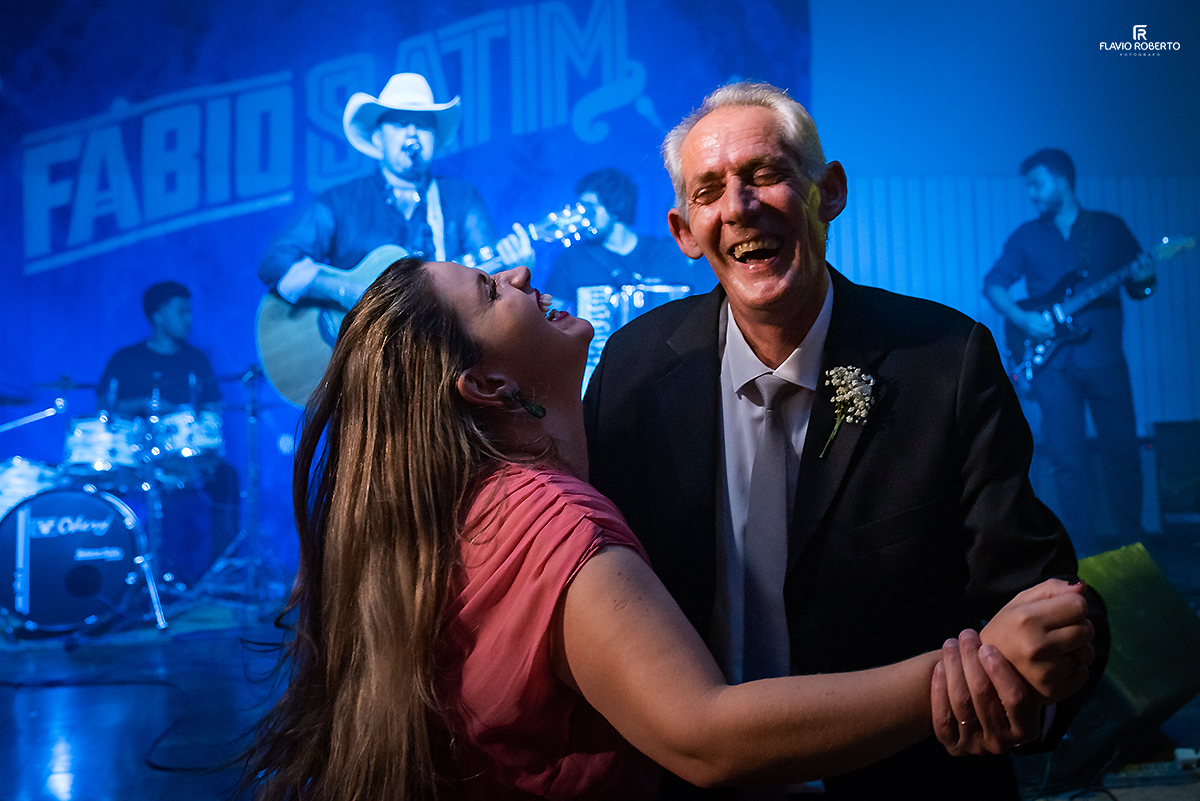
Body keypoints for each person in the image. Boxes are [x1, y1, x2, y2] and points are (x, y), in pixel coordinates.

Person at [240, 256, 1097, 801]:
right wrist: (965, 673)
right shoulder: (551, 520)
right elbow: (704, 734)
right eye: (493, 290)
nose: (521, 266)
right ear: (488, 388)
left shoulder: (475, 503)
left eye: (766, 175)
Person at [583, 84, 1109, 799]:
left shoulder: (945, 361)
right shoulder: (633, 370)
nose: (739, 205)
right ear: (683, 231)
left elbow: (1042, 601)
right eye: (710, 190)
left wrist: (1025, 684)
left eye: (765, 174)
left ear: (827, 193)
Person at [984, 148, 1155, 556]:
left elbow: (1140, 287)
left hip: (1105, 361)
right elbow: (993, 284)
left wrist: (1146, 278)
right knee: (1067, 461)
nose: (1032, 193)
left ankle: (1135, 550)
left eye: (1037, 183)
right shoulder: (1027, 236)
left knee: (1122, 455)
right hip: (1052, 368)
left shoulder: (1110, 229)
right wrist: (1025, 322)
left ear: (1062, 180)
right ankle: (1083, 559)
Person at [258, 72, 535, 312]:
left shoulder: (461, 200)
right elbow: (276, 262)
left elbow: (490, 290)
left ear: (434, 140)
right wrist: (344, 290)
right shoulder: (340, 202)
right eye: (401, 123)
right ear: (378, 138)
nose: (412, 133)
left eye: (423, 124)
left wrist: (515, 273)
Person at [96, 281, 239, 586]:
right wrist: (143, 404)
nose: (189, 319)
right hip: (136, 458)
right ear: (158, 316)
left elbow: (212, 406)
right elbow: (104, 409)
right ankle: (122, 576)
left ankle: (220, 576)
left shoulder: (195, 359)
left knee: (227, 478)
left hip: (182, 453)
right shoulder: (126, 359)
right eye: (181, 311)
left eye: (189, 312)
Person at [543, 167, 716, 387]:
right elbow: (545, 318)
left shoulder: (667, 253)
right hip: (600, 376)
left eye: (589, 209)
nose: (582, 218)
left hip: (668, 375)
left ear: (614, 205)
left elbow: (699, 308)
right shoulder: (572, 259)